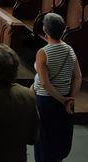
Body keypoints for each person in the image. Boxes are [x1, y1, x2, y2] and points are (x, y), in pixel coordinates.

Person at [33, 13, 82, 162]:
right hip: (65, 100)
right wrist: (70, 99)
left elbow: (45, 83)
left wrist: (62, 100)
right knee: (59, 137)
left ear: (45, 30)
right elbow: (78, 77)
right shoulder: (69, 49)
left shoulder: (43, 53)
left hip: (47, 101)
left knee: (44, 139)